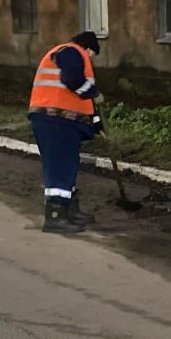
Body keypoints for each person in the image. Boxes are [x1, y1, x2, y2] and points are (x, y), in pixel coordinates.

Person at [27, 31, 105, 234]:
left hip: (60, 120)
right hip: (55, 119)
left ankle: (69, 209)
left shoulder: (70, 54)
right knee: (60, 166)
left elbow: (82, 100)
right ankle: (55, 216)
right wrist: (94, 92)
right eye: (93, 55)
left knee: (67, 165)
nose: (91, 59)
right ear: (88, 48)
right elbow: (72, 80)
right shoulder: (71, 51)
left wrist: (96, 123)